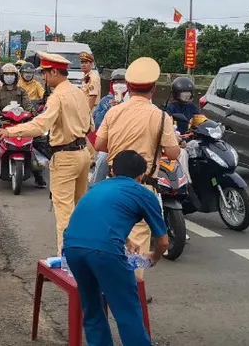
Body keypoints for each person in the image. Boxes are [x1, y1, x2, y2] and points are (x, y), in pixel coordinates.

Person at [63, 150, 169, 346]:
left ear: (112, 171)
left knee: (92, 310)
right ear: (141, 176)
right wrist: (154, 256)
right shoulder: (142, 193)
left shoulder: (96, 187)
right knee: (127, 311)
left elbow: (97, 218)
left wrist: (125, 239)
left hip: (72, 248)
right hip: (105, 252)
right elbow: (163, 241)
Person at [0, 52, 92, 251]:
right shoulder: (78, 92)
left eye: (45, 73)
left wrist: (9, 131)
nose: (43, 78)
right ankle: (85, 251)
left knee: (64, 213)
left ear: (54, 72)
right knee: (81, 210)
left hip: (65, 157)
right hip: (83, 154)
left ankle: (68, 260)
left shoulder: (57, 96)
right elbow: (90, 124)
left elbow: (39, 125)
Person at [92, 57, 181, 281]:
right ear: (153, 89)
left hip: (112, 185)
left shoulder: (113, 112)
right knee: (138, 239)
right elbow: (173, 153)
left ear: (128, 88)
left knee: (112, 234)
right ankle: (133, 285)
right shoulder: (161, 117)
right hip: (141, 188)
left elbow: (99, 145)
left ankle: (108, 282)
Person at [0, 63, 45, 188]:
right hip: (4, 122)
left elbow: (28, 105)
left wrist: (35, 115)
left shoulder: (22, 91)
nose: (9, 77)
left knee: (39, 140)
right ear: (2, 76)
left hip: (21, 122)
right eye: (6, 74)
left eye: (12, 74)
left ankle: (39, 175)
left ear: (16, 76)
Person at [89, 68, 128, 186]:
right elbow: (96, 124)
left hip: (129, 142)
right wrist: (108, 109)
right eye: (116, 82)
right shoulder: (105, 101)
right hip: (110, 143)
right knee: (102, 159)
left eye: (122, 82)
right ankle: (95, 188)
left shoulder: (132, 101)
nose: (119, 85)